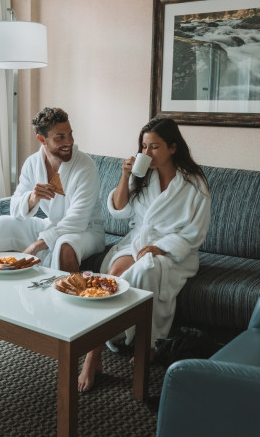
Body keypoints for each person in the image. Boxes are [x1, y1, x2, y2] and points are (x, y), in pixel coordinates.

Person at [78, 117, 211, 392]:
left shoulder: (194, 184)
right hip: (138, 241)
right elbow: (118, 208)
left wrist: (162, 247)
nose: (146, 153)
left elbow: (195, 233)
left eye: (154, 147)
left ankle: (147, 342)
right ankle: (94, 350)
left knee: (145, 270)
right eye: (143, 147)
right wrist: (126, 175)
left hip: (175, 252)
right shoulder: (142, 175)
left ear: (173, 148)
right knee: (112, 275)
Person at [0, 107, 105, 272]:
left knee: (64, 244)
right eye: (60, 137)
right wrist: (32, 198)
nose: (69, 142)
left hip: (86, 231)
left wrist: (35, 246)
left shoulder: (85, 167)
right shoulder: (32, 163)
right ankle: (4, 279)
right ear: (42, 139)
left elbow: (77, 220)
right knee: (2, 224)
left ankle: (62, 294)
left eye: (70, 134)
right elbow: (14, 208)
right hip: (52, 225)